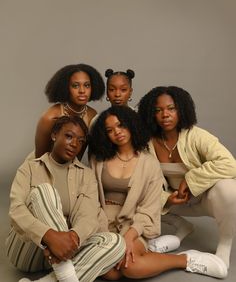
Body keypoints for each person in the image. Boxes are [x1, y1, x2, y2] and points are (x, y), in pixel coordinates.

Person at [88, 105, 227, 279]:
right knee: (110, 275)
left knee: (129, 267)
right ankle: (152, 250)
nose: (117, 132)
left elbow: (149, 207)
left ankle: (185, 259)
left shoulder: (149, 163)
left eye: (121, 125)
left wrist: (129, 237)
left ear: (131, 125)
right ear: (105, 134)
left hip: (133, 223)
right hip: (100, 222)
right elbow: (90, 200)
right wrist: (105, 235)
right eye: (110, 130)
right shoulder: (98, 159)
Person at [6, 116, 125, 282]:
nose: (74, 144)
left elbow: (88, 216)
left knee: (116, 242)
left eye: (81, 141)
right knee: (44, 192)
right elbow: (16, 210)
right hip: (29, 251)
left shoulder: (86, 175)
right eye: (69, 136)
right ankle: (67, 275)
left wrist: (73, 238)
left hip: (65, 252)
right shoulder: (30, 167)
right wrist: (49, 236)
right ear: (55, 135)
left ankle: (53, 278)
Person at [138, 85, 236, 274]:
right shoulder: (147, 143)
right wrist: (166, 198)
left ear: (181, 110)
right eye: (158, 110)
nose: (165, 114)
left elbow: (230, 164)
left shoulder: (196, 135)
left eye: (171, 108)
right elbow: (143, 180)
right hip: (174, 203)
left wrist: (190, 181)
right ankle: (181, 226)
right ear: (151, 114)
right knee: (132, 194)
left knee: (229, 189)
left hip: (206, 200)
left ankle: (224, 244)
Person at [34, 63, 105, 158]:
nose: (82, 91)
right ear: (65, 88)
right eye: (75, 86)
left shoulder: (92, 115)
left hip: (70, 168)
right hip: (43, 167)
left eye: (87, 85)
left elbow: (78, 156)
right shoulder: (50, 117)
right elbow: (40, 158)